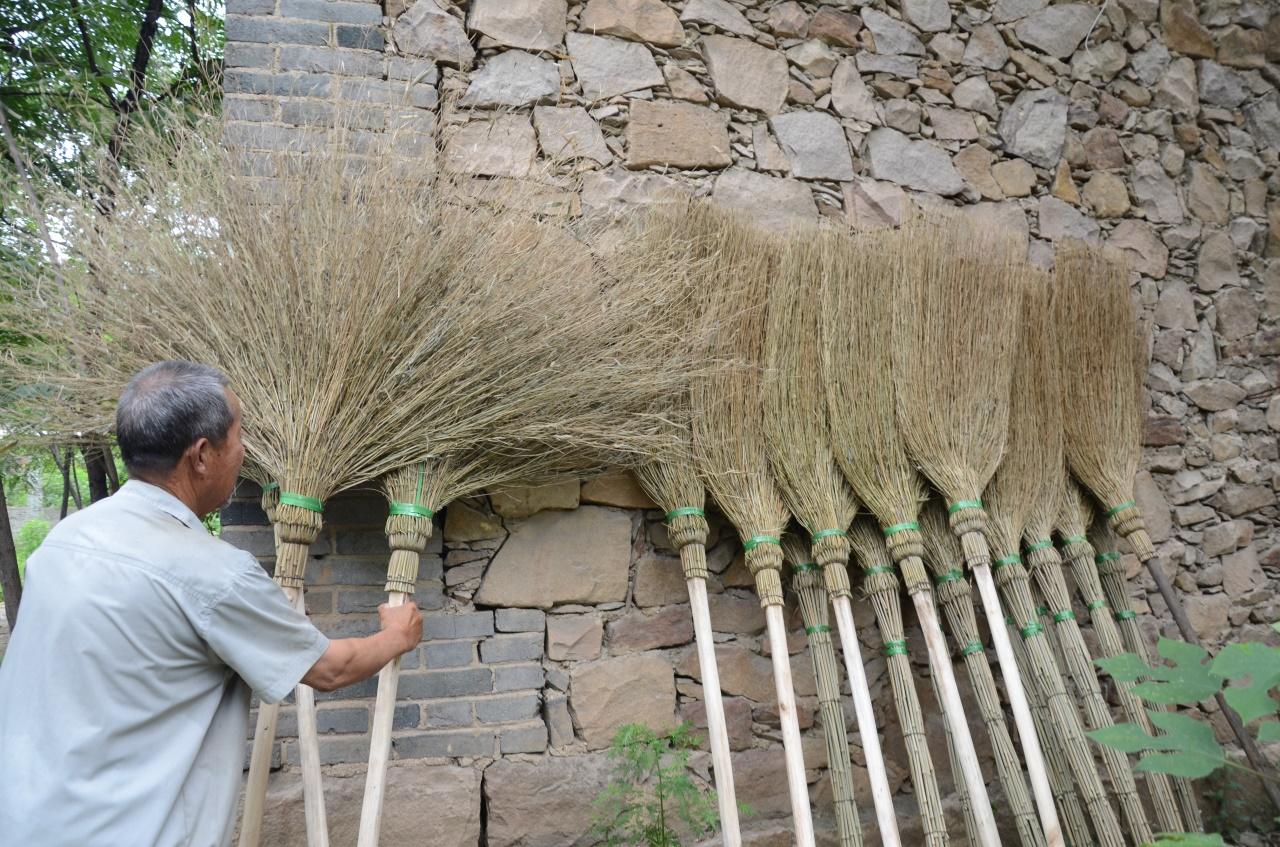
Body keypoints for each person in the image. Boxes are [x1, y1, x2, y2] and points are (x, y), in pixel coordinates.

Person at [0, 360, 422, 846]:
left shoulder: (63, 541)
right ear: (201, 455)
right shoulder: (212, 573)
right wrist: (397, 634)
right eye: (239, 435)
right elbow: (330, 669)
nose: (245, 451)